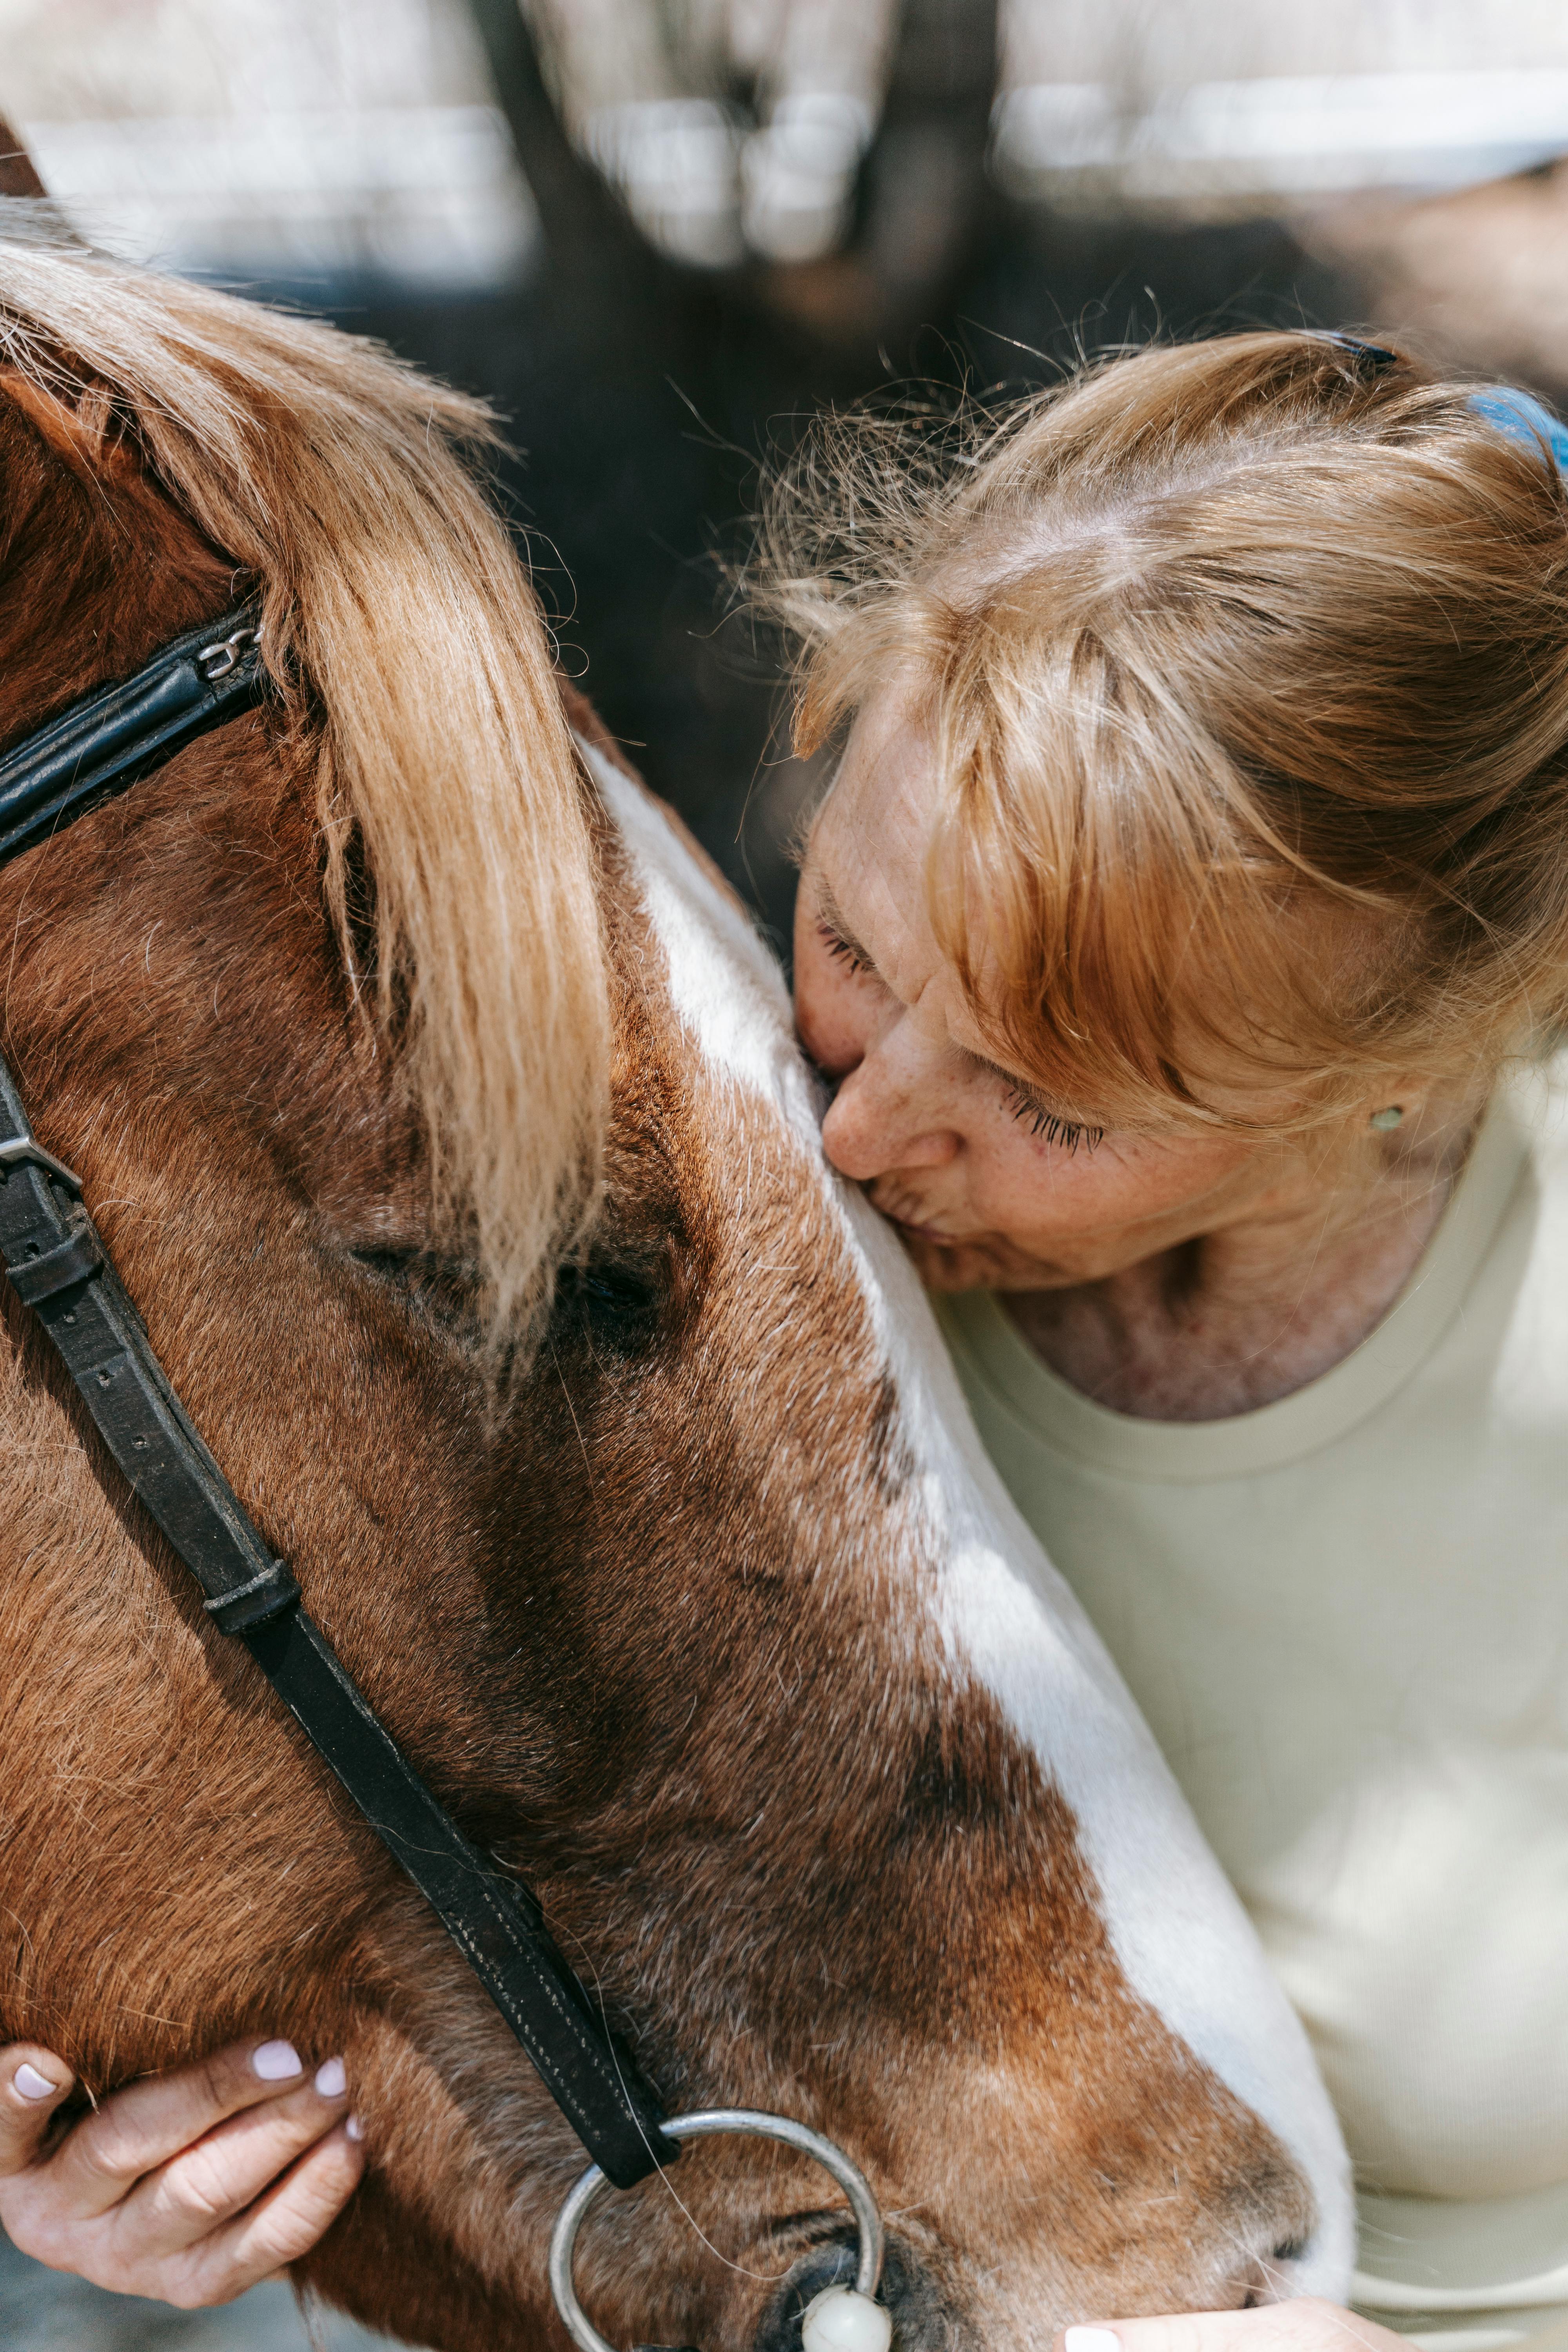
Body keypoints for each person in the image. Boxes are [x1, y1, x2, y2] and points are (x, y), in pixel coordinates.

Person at [8, 330, 1568, 2352]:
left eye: (1050, 1099)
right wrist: (178, 2155)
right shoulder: (715, 1181)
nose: (856, 1127)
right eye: (849, 938)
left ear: (1384, 1074)